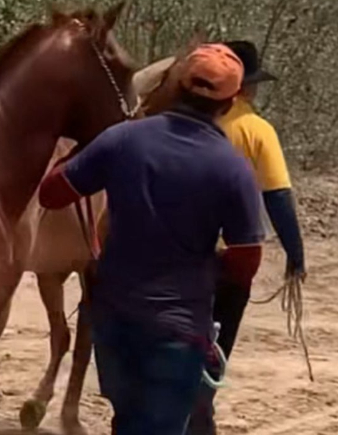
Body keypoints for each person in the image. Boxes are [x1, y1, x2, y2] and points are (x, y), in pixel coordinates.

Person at [38, 44, 263, 435]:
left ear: (176, 87)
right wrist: (205, 269)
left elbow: (52, 194)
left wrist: (86, 147)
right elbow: (246, 262)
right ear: (230, 104)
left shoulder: (122, 139)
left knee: (126, 420)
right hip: (177, 330)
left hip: (114, 323)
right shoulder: (233, 169)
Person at [187, 40, 307, 435]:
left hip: (170, 252)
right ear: (245, 87)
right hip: (229, 257)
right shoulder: (257, 130)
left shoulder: (173, 121)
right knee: (216, 340)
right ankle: (198, 415)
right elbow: (278, 197)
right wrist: (295, 253)